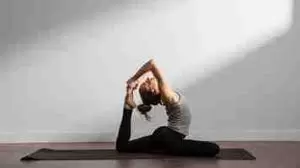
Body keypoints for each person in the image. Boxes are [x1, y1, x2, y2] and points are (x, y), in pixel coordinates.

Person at [116, 59, 220, 157]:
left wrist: (131, 88)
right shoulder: (166, 95)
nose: (148, 78)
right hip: (169, 137)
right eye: (147, 82)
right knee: (213, 149)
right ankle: (128, 106)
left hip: (165, 136)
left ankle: (128, 108)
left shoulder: (166, 96)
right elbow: (152, 63)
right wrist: (134, 79)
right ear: (153, 91)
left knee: (124, 147)